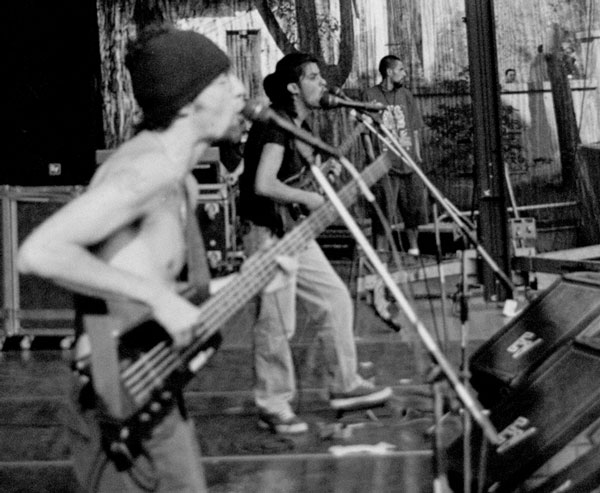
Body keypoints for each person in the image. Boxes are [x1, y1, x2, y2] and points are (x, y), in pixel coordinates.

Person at [17, 25, 246, 492]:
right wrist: (159, 300)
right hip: (112, 391)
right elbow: (38, 252)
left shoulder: (181, 181)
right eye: (223, 81)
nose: (241, 90)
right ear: (187, 102)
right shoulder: (147, 170)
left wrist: (245, 281)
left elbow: (145, 285)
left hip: (149, 384)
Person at [239, 52, 392, 435]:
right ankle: (272, 404)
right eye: (313, 76)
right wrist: (311, 198)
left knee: (335, 299)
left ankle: (345, 384)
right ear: (294, 87)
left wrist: (319, 175)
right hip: (268, 235)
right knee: (277, 323)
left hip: (292, 231)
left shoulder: (298, 126)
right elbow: (263, 184)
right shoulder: (275, 125)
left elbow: (289, 182)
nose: (322, 82)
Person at [362, 55, 427, 256]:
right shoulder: (370, 94)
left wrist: (417, 156)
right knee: (382, 214)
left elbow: (414, 128)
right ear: (389, 72)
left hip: (408, 163)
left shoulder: (406, 94)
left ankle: (414, 251)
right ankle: (381, 255)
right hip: (385, 165)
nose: (404, 73)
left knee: (413, 212)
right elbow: (365, 131)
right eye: (401, 70)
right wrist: (372, 158)